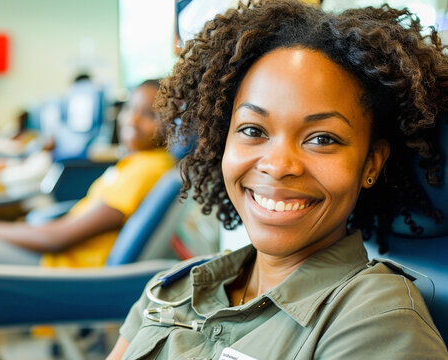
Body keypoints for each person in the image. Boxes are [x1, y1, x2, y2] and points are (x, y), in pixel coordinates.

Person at [108, 1, 448, 359]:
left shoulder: (377, 323)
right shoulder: (175, 287)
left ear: (371, 163)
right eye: (253, 130)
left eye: (322, 138)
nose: (278, 165)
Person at [0, 79, 175, 291]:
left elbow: (56, 238)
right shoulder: (135, 162)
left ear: (173, 123)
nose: (132, 120)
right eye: (130, 109)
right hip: (52, 260)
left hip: (55, 270)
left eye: (149, 114)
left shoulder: (148, 168)